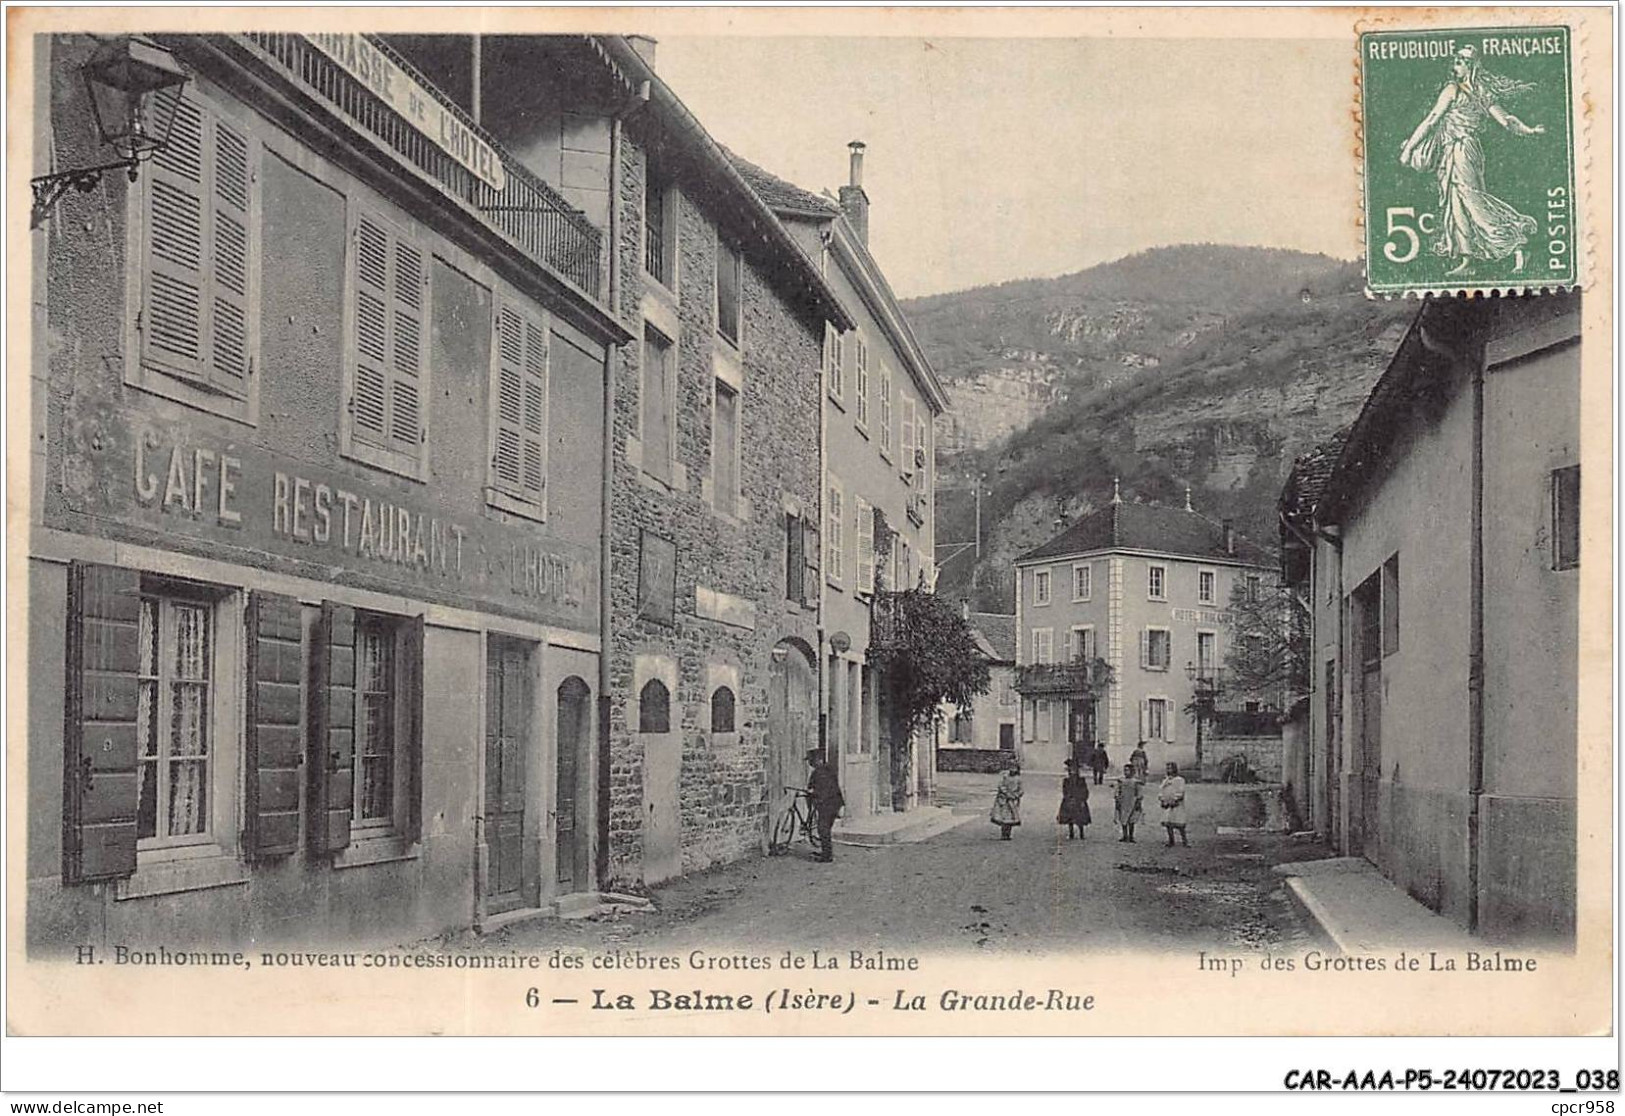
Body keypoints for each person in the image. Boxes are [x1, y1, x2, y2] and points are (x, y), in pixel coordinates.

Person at [1399, 44, 1545, 276]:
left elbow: (1431, 120)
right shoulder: (1477, 92)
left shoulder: (1457, 90)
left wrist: (1409, 148)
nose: (1455, 65)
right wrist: (1528, 130)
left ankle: (1516, 241)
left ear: (1470, 66)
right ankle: (1468, 260)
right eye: (1455, 60)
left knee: (1471, 200)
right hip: (1455, 151)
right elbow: (1506, 119)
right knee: (1456, 203)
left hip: (1462, 150)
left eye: (1460, 61)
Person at [805, 749, 843, 863]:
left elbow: (823, 790)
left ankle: (827, 856)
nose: (810, 763)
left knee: (823, 828)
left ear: (819, 760)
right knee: (825, 829)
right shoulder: (828, 769)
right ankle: (826, 852)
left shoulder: (820, 772)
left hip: (828, 803)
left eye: (812, 760)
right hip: (834, 803)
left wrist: (813, 794)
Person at [1056, 758, 1091, 840]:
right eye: (1070, 770)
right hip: (1069, 800)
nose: (1072, 772)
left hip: (1079, 800)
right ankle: (1071, 833)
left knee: (1080, 818)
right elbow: (1064, 791)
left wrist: (1083, 799)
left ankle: (1081, 833)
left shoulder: (1081, 780)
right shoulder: (1066, 781)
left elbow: (1085, 790)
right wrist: (1068, 798)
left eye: (1074, 770)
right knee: (1070, 818)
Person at [1159, 762, 1189, 848]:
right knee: (1169, 823)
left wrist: (1176, 799)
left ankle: (1185, 841)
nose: (1168, 770)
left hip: (1176, 804)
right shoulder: (1165, 780)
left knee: (1179, 823)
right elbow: (1161, 790)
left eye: (1170, 768)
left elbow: (1181, 791)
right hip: (1167, 803)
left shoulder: (1180, 780)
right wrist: (1162, 799)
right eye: (1167, 768)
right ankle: (1171, 840)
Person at [990, 764, 1023, 840]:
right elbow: (1001, 785)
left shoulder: (1018, 779)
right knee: (1003, 817)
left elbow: (1021, 790)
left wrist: (1015, 795)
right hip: (1004, 800)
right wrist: (1005, 793)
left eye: (1014, 768)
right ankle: (1003, 833)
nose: (1012, 770)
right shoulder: (1005, 777)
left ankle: (1008, 833)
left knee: (1011, 817)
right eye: (1011, 768)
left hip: (1012, 801)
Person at [1113, 763, 1143, 843]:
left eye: (1127, 770)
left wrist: (1138, 801)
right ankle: (1124, 835)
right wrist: (1117, 799)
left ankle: (1131, 836)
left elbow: (1139, 793)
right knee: (1123, 819)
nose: (1125, 772)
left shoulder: (1136, 782)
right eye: (1124, 770)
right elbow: (1117, 791)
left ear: (1132, 771)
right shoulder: (1121, 781)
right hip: (1123, 802)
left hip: (1132, 802)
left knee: (1132, 820)